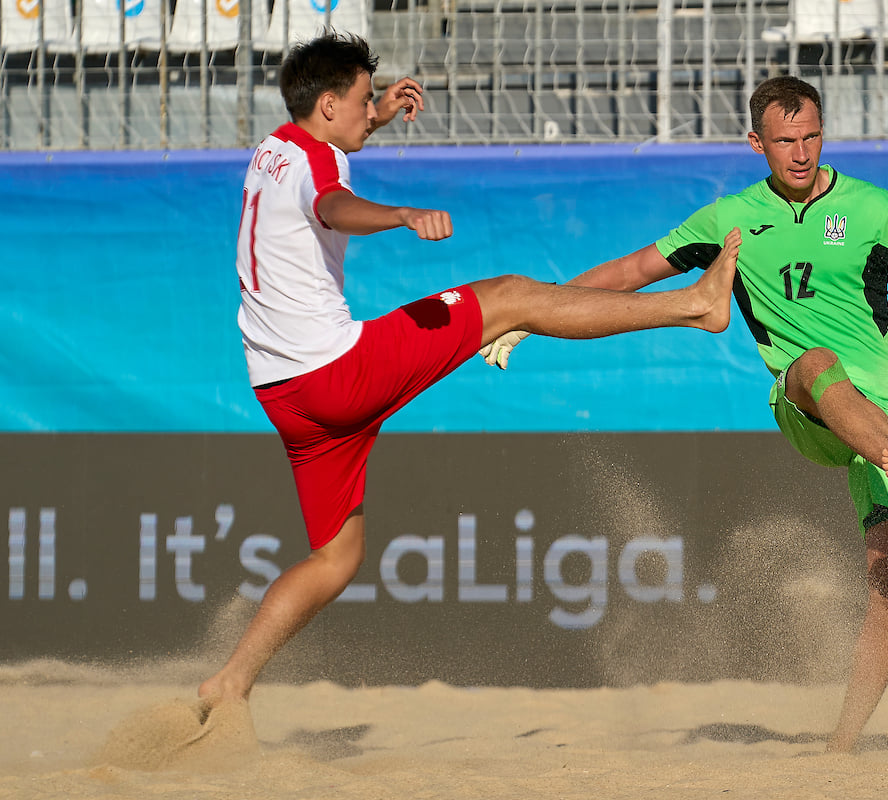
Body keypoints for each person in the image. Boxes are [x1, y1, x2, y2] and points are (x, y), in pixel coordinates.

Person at [198, 31, 742, 710]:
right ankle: (692, 305)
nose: (372, 109)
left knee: (336, 559)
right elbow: (331, 204)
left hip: (285, 394)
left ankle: (229, 682)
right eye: (364, 100)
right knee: (510, 295)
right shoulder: (318, 163)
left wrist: (376, 116)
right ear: (330, 105)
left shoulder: (272, 150)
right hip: (337, 372)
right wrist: (399, 214)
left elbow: (320, 169)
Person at [479, 76, 888, 753]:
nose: (801, 153)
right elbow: (630, 272)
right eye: (785, 141)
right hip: (809, 402)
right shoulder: (731, 219)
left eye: (812, 137)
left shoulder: (875, 209)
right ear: (755, 143)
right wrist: (532, 314)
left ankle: (841, 749)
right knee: (814, 361)